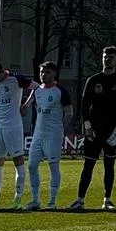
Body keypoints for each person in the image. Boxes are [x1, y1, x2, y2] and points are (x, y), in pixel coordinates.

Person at [72, 47, 116, 211]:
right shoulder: (93, 80)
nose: (107, 59)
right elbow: (84, 105)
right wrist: (87, 126)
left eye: (111, 57)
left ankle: (107, 200)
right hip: (94, 130)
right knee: (88, 164)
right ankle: (80, 200)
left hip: (112, 130)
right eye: (105, 57)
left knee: (109, 165)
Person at [0, 60, 32, 210]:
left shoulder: (16, 79)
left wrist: (26, 104)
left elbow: (37, 87)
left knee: (18, 160)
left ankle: (17, 199)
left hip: (14, 127)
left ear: (2, 71)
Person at [27, 63, 72, 210]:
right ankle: (35, 201)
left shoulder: (61, 91)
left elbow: (69, 113)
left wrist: (60, 128)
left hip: (53, 134)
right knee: (31, 165)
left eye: (47, 72)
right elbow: (29, 105)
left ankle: (52, 202)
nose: (43, 75)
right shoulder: (37, 90)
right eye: (41, 72)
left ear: (54, 74)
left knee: (53, 165)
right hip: (38, 134)